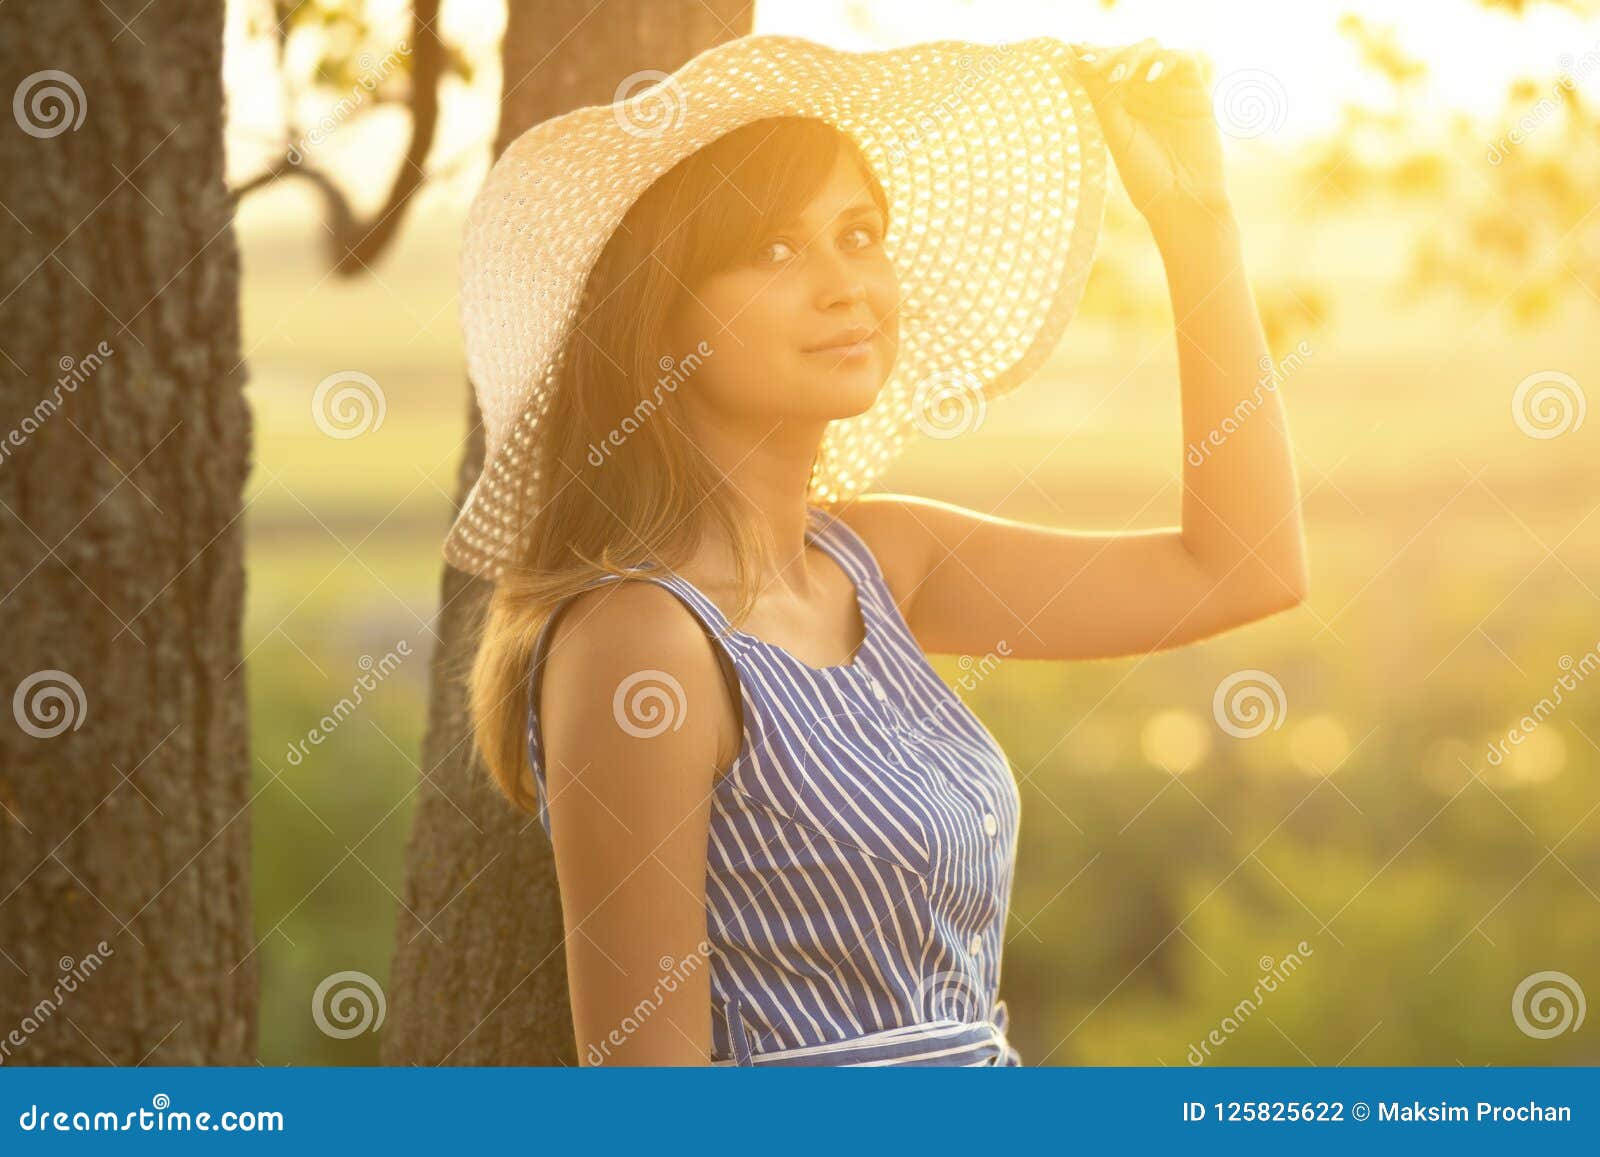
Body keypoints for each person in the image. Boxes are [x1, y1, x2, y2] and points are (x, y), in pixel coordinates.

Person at [448, 33, 1307, 1066]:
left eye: (859, 234)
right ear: (660, 317)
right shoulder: (642, 642)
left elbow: (1243, 564)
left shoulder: (881, 558)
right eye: (773, 248)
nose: (844, 282)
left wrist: (1194, 220)